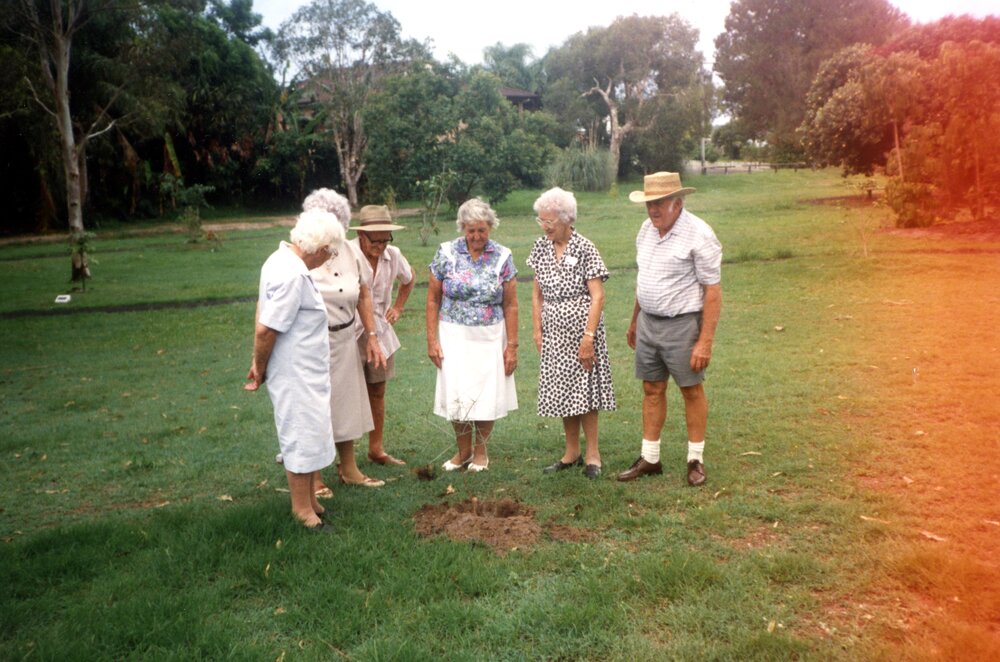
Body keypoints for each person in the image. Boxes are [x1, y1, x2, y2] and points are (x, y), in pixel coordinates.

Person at [617, 172, 722, 486]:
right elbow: (644, 279)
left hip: (682, 325)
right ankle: (650, 458)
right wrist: (635, 320)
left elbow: (713, 291)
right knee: (651, 389)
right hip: (649, 322)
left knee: (691, 390)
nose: (653, 209)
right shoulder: (646, 230)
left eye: (660, 202)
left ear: (678, 202)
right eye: (649, 203)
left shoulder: (699, 234)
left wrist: (705, 341)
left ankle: (695, 460)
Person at [245, 209, 342, 531]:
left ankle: (311, 500)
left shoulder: (281, 261)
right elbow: (266, 329)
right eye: (329, 253)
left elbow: (263, 312)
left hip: (306, 370)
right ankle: (301, 508)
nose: (327, 260)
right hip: (295, 371)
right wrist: (259, 366)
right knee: (300, 433)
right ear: (318, 247)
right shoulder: (292, 274)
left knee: (313, 430)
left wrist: (258, 361)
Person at [527, 187, 615, 480]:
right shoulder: (540, 248)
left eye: (549, 221)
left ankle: (593, 454)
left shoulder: (585, 247)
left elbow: (598, 296)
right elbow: (536, 295)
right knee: (563, 389)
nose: (545, 227)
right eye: (541, 221)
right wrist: (537, 330)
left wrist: (588, 338)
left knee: (586, 391)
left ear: (566, 218)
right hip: (553, 332)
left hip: (582, 333)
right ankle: (571, 452)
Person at [303, 188, 387, 491]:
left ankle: (349, 468)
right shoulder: (303, 253)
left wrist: (373, 336)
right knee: (315, 408)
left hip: (345, 339)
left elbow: (364, 291)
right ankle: (312, 476)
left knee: (346, 404)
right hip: (311, 343)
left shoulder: (350, 251)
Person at [426, 198, 518, 473]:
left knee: (485, 394)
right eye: (471, 230)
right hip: (453, 335)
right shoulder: (446, 253)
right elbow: (432, 299)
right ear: (462, 228)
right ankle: (463, 451)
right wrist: (432, 340)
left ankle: (481, 452)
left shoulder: (502, 256)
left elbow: (511, 303)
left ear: (490, 227)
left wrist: (512, 345)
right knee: (458, 391)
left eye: (482, 230)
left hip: (489, 335)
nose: (476, 236)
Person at [351, 205, 415, 467]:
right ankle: (339, 456)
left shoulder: (394, 254)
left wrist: (398, 307)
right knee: (343, 392)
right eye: (374, 240)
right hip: (347, 330)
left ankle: (376, 449)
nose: (380, 246)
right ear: (361, 236)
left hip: (379, 330)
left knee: (377, 390)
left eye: (385, 239)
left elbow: (409, 279)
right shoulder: (346, 253)